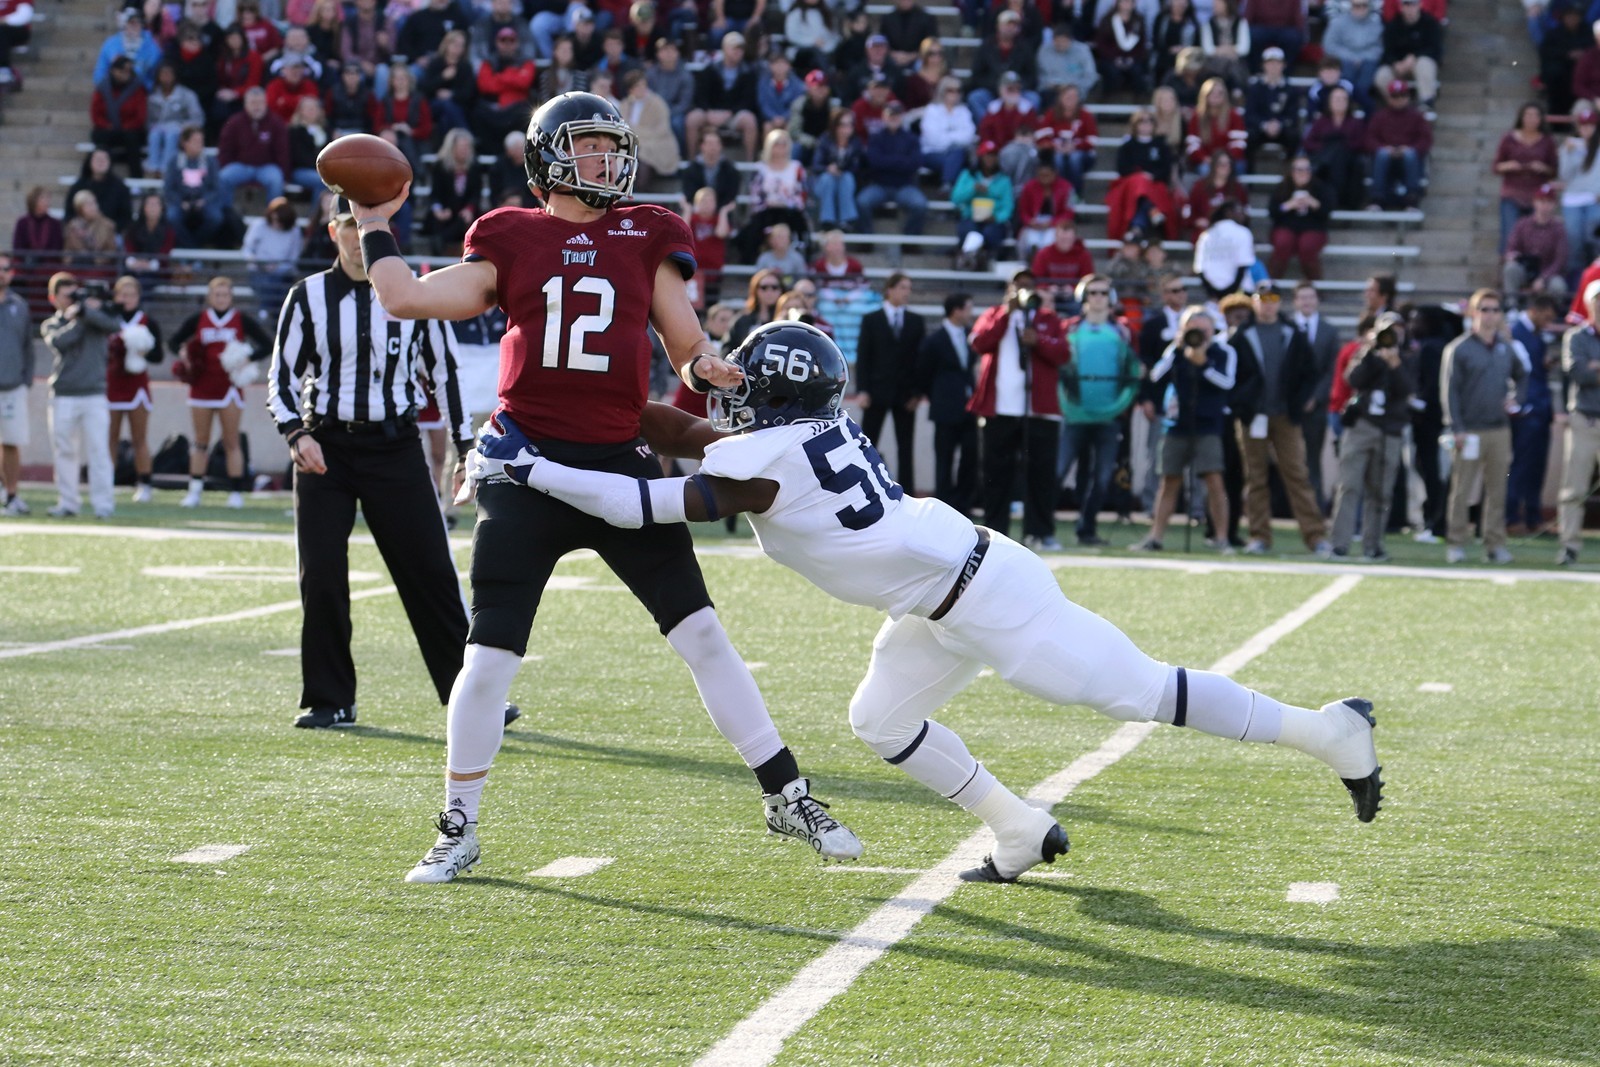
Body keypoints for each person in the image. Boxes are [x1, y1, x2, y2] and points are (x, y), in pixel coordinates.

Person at [505, 319, 1386, 883]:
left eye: (748, 387)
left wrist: (527, 461)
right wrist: (605, 408)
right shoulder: (805, 435)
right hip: (943, 592)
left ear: (773, 400)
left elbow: (635, 500)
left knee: (1147, 692)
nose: (732, 397)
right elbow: (692, 432)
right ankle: (1016, 828)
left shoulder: (762, 463)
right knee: (880, 718)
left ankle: (1327, 731)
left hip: (992, 601)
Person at [343, 91, 862, 880]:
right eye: (588, 146)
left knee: (704, 636)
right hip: (525, 469)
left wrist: (708, 367)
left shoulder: (646, 231)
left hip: (620, 459)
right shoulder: (509, 234)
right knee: (486, 661)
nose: (608, 160)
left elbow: (684, 343)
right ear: (547, 155)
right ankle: (459, 824)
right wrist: (373, 217)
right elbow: (406, 296)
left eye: (612, 146)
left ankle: (786, 792)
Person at [264, 195, 511, 733]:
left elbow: (444, 373)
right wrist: (295, 434)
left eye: (365, 225)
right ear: (334, 232)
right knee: (322, 575)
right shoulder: (306, 297)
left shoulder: (410, 293)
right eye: (348, 225)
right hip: (324, 446)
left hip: (394, 446)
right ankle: (329, 699)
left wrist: (464, 447)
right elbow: (280, 379)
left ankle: (465, 692)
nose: (357, 235)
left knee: (429, 568)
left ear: (384, 231)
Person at [1229, 283, 1333, 557]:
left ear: (1280, 302)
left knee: (1297, 475)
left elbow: (1309, 372)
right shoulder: (1241, 335)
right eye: (1262, 298)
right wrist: (1243, 404)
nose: (1268, 304)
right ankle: (1259, 535)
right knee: (1255, 477)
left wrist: (1301, 401)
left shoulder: (1292, 333)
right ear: (1254, 302)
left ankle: (1315, 536)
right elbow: (1233, 375)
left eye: (1273, 298)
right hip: (1253, 417)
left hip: (1285, 416)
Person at [971, 269, 1070, 549]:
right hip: (1000, 409)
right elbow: (980, 342)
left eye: (1029, 285)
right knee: (996, 473)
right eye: (1018, 285)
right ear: (1009, 288)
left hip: (1038, 410)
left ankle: (1040, 531)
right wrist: (1006, 315)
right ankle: (994, 532)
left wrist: (1038, 341)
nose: (1023, 290)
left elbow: (1062, 353)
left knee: (1041, 473)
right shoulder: (994, 314)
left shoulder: (1048, 319)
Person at [1132, 304, 1239, 552]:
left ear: (1213, 330)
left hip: (1208, 424)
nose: (1199, 334)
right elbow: (1156, 375)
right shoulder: (1177, 350)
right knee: (1169, 480)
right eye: (1193, 329)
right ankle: (1156, 537)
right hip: (1177, 424)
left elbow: (1227, 382)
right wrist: (1177, 349)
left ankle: (1222, 538)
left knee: (1214, 479)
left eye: (1204, 329)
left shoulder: (1223, 351)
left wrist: (1203, 363)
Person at [167, 276, 272, 508]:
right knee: (200, 441)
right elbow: (173, 342)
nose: (221, 299)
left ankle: (236, 492)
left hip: (230, 388)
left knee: (231, 441)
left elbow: (267, 344)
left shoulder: (241, 319)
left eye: (225, 295)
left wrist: (248, 358)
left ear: (231, 297)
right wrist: (186, 355)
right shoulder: (199, 319)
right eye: (217, 295)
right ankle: (195, 490)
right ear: (210, 297)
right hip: (201, 387)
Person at [1441, 289, 1527, 564]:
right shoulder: (1459, 348)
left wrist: (1516, 399)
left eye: (1495, 310)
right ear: (1473, 313)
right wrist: (1457, 427)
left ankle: (1494, 544)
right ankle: (1456, 542)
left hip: (1499, 429)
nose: (1490, 315)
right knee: (1462, 490)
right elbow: (1449, 391)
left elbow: (1523, 375)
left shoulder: (1505, 347)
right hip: (1469, 429)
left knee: (1497, 490)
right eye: (1485, 309)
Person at [1058, 274, 1140, 547]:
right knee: (1058, 471)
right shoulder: (1068, 328)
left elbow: (1133, 370)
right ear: (1083, 298)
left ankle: (1087, 529)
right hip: (1074, 415)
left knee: (1103, 478)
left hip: (1109, 417)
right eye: (1092, 292)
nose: (1097, 297)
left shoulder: (1122, 331)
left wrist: (1122, 405)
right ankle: (1041, 527)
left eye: (1103, 293)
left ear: (1111, 298)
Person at [1328, 312, 1416, 561]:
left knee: (1381, 492)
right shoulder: (1366, 353)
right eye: (1387, 330)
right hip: (1361, 426)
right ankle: (1339, 544)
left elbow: (1408, 389)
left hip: (1390, 430)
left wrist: (1395, 363)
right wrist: (1370, 351)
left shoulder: (1408, 357)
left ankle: (1373, 545)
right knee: (1349, 486)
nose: (1393, 335)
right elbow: (1352, 378)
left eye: (1397, 329)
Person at [39, 273, 119, 519]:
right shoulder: (51, 323)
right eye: (68, 296)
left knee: (98, 451)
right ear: (55, 299)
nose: (73, 299)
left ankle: (103, 504)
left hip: (94, 394)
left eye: (76, 294)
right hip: (63, 394)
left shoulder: (95, 317)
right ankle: (68, 502)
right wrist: (82, 315)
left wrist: (86, 312)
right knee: (64, 450)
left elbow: (114, 326)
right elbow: (62, 341)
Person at [854, 272, 925, 491]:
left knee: (906, 447)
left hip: (905, 395)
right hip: (876, 391)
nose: (907, 292)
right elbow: (863, 357)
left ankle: (908, 495)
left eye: (909, 288)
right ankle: (864, 488)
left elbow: (920, 360)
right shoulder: (871, 319)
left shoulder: (916, 321)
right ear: (890, 289)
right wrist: (863, 390)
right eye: (903, 287)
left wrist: (917, 393)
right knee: (867, 444)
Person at [918, 293, 979, 516]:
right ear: (957, 310)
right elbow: (924, 373)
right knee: (944, 458)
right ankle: (945, 504)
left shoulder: (970, 335)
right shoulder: (935, 340)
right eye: (968, 308)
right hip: (945, 407)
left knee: (970, 456)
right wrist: (936, 396)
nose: (970, 314)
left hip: (969, 406)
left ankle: (964, 502)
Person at [106, 275, 164, 503]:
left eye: (131, 294)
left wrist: (142, 350)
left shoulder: (148, 321)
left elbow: (158, 356)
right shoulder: (108, 318)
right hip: (112, 384)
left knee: (139, 438)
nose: (127, 298)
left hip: (137, 385)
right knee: (110, 438)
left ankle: (145, 484)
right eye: (122, 294)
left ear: (138, 297)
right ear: (116, 296)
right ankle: (107, 482)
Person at [1506, 294, 1559, 537]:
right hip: (1528, 410)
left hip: (1541, 409)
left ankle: (1534, 517)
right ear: (1536, 310)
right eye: (1546, 316)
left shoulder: (1534, 335)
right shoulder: (1516, 333)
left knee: (1536, 466)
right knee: (1522, 465)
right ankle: (1511, 517)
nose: (1548, 323)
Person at [1557, 280, 1600, 565]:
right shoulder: (1576, 336)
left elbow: (1588, 371)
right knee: (1574, 488)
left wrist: (1594, 365)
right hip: (1585, 418)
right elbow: (1578, 373)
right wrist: (1590, 369)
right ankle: (1570, 546)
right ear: (1589, 303)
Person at [1292, 281, 1341, 513]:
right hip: (1288, 406)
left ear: (1317, 300)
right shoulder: (1287, 327)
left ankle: (1315, 508)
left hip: (1317, 406)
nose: (1307, 302)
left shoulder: (1329, 331)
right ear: (1295, 301)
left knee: (1313, 459)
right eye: (1302, 297)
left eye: (1310, 297)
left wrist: (1315, 397)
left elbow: (1332, 370)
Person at [1495, 103, 1559, 256]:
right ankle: (1506, 270)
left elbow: (1554, 170)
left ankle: (1532, 272)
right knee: (1510, 234)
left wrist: (1543, 168)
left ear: (1540, 119)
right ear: (1521, 117)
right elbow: (1496, 166)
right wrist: (1509, 165)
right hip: (1512, 192)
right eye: (1528, 115)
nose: (1531, 119)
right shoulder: (1509, 138)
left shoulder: (1547, 141)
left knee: (1534, 237)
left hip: (1537, 196)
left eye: (1535, 116)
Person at [856, 101, 928, 236]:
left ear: (902, 116)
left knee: (920, 205)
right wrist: (901, 160)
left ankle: (909, 241)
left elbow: (915, 163)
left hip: (905, 185)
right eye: (890, 114)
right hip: (879, 185)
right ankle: (867, 239)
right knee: (862, 202)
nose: (894, 118)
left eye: (897, 114)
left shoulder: (911, 139)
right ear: (883, 116)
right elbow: (874, 162)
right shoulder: (876, 138)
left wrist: (887, 161)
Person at [0, 253, 33, 516]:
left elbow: (27, 346)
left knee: (11, 442)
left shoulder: (19, 305)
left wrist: (26, 379)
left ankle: (11, 495)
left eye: (6, 268)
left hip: (12, 386)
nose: (2, 272)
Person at [1366, 80, 1431, 211]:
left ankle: (1412, 200)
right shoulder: (1379, 116)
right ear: (1389, 97)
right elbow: (1369, 139)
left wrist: (1409, 149)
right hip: (1385, 156)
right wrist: (1384, 148)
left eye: (1402, 95)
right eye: (1395, 96)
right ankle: (1377, 199)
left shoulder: (1417, 117)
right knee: (1381, 154)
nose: (1399, 99)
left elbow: (1426, 139)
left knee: (1410, 155)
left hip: (1409, 157)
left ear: (1408, 96)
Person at [1267, 155, 1335, 280]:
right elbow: (1273, 213)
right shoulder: (1282, 188)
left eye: (1307, 169)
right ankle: (1270, 287)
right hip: (1286, 226)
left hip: (1313, 228)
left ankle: (1314, 289)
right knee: (1283, 243)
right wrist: (1289, 205)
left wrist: (1313, 203)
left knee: (1307, 246)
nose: (1304, 173)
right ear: (1291, 171)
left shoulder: (1320, 187)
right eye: (1299, 169)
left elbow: (1326, 212)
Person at [1504, 184, 1570, 304]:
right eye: (1541, 201)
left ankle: (1552, 314)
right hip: (1525, 270)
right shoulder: (1522, 224)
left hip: (1548, 272)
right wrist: (1512, 256)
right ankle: (1511, 306)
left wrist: (1543, 279)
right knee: (1510, 269)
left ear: (1554, 204)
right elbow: (1511, 247)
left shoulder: (1558, 228)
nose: (1544, 206)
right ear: (1534, 202)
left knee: (1558, 285)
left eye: (1548, 202)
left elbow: (1560, 260)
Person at [1321, 0, 1383, 112]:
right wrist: (1351, 57)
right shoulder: (1338, 22)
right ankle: (1349, 102)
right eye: (1357, 5)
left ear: (1369, 7)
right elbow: (1329, 45)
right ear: (1351, 6)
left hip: (1367, 61)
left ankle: (1358, 102)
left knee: (1368, 69)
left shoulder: (1376, 24)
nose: (1360, 8)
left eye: (1364, 5)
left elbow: (1379, 47)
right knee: (1346, 68)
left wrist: (1361, 58)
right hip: (1344, 60)